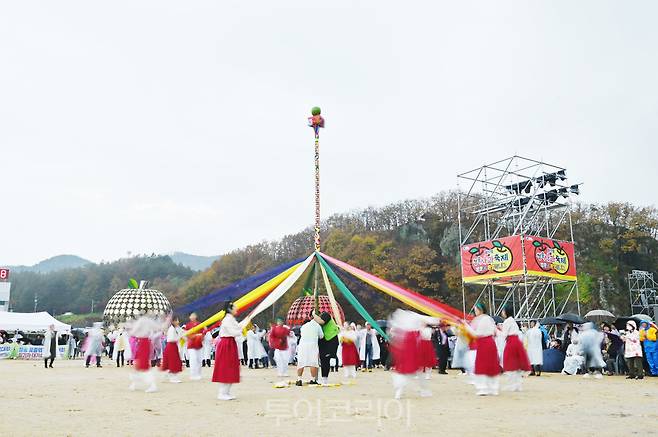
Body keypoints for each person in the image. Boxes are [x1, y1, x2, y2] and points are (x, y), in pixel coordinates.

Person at [388, 309, 439, 399]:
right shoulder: (412, 316)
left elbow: (393, 330)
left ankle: (400, 391)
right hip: (412, 345)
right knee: (414, 370)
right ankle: (423, 390)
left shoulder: (398, 317)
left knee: (405, 369)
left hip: (404, 345)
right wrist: (440, 319)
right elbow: (428, 319)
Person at [212, 301, 245, 400]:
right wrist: (241, 330)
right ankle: (222, 393)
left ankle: (227, 392)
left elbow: (237, 328)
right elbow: (233, 332)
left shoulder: (231, 319)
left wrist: (244, 324)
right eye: (235, 307)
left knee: (232, 367)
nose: (237, 309)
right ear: (230, 309)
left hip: (230, 344)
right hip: (226, 344)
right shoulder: (227, 320)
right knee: (226, 367)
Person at [468, 303, 500, 396]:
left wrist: (466, 327)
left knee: (482, 365)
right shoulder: (488, 318)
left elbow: (476, 334)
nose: (475, 311)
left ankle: (483, 388)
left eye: (476, 309)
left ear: (480, 310)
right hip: (489, 343)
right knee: (491, 365)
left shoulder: (482, 319)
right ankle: (493, 388)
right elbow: (495, 331)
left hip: (484, 343)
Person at [128, 316, 162, 393]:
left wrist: (130, 327)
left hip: (142, 342)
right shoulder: (148, 320)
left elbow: (133, 332)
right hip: (144, 342)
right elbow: (158, 328)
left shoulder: (141, 320)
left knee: (143, 364)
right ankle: (134, 383)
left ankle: (152, 385)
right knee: (138, 363)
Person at [500, 305, 530, 391]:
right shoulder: (512, 320)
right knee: (516, 365)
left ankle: (513, 385)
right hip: (516, 342)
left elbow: (504, 335)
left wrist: (498, 331)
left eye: (503, 311)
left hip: (511, 343)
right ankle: (517, 385)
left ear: (506, 312)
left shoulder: (506, 321)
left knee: (510, 364)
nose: (502, 312)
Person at [295, 311, 324, 386]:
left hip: (302, 345)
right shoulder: (317, 325)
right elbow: (321, 336)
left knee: (301, 362)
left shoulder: (304, 326)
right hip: (312, 344)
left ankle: (299, 379)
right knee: (313, 362)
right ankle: (313, 379)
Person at [314, 311, 340, 385]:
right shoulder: (315, 320)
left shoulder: (326, 315)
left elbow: (321, 321)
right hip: (323, 341)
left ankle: (325, 379)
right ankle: (322, 378)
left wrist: (313, 314)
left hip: (331, 340)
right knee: (323, 360)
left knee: (327, 359)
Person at [161, 316, 183, 383]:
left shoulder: (176, 328)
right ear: (173, 321)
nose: (178, 322)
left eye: (178, 320)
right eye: (176, 320)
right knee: (173, 362)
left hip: (173, 346)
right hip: (171, 346)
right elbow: (171, 339)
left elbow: (181, 333)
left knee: (174, 361)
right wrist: (179, 337)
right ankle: (173, 378)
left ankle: (169, 375)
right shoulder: (171, 329)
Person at [183, 313, 204, 380]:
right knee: (193, 359)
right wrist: (192, 337)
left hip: (199, 344)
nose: (192, 317)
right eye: (191, 316)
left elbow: (203, 333)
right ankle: (193, 374)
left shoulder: (199, 324)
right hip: (191, 345)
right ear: (189, 317)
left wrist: (200, 337)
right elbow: (186, 334)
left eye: (194, 315)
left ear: (196, 316)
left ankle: (198, 374)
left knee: (199, 360)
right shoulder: (188, 325)